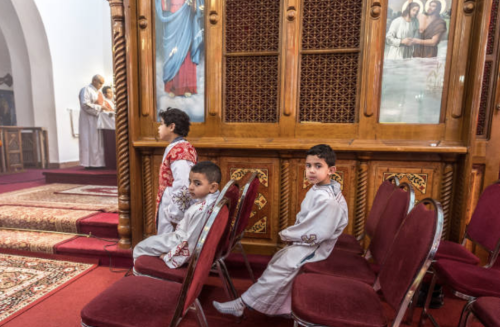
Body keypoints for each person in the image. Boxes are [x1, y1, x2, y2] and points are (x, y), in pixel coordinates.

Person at [213, 144, 348, 317]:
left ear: (332, 170)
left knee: (281, 267)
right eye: (308, 166)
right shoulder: (321, 188)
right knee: (278, 261)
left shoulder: (327, 200)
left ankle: (241, 304)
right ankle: (284, 307)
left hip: (316, 247)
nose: (312, 171)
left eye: (318, 166)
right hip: (308, 241)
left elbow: (321, 232)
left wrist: (289, 235)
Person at [133, 161, 221, 268]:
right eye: (190, 182)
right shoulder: (215, 198)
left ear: (213, 187)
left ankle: (148, 278)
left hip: (179, 240)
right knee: (151, 242)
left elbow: (191, 242)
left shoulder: (202, 210)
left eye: (197, 183)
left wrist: (169, 257)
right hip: (180, 236)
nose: (190, 187)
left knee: (140, 248)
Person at [156, 107, 198, 234]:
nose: (159, 127)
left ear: (171, 127)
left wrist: (175, 215)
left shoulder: (181, 151)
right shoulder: (177, 147)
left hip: (174, 209)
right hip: (169, 199)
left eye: (162, 124)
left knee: (171, 244)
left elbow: (183, 185)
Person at [155, 0, 204, 97]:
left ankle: (187, 87)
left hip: (185, 16)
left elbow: (197, 4)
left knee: (185, 50)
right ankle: (171, 87)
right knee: (171, 51)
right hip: (171, 18)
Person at [79, 75, 112, 169]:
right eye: (100, 83)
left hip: (98, 119)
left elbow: (103, 104)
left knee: (98, 141)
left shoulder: (99, 93)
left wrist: (105, 107)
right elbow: (85, 104)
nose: (101, 85)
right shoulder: (86, 89)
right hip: (88, 119)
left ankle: (98, 163)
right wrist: (100, 107)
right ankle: (89, 164)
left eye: (102, 83)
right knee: (89, 140)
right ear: (94, 80)